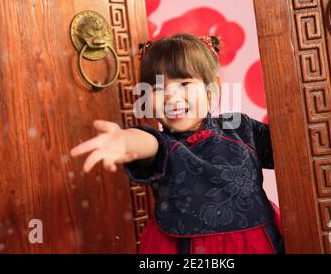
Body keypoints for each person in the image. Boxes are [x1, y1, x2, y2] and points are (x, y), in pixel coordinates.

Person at [70, 33, 284, 254]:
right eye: (158, 88)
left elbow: (291, 147)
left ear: (211, 88)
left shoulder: (241, 128)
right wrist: (125, 140)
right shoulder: (165, 144)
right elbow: (148, 142)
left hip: (256, 245)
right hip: (184, 248)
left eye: (184, 83)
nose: (171, 97)